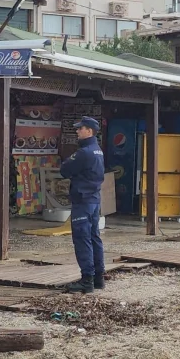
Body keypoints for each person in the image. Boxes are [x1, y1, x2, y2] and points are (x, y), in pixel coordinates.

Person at [60, 117, 106, 294]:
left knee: (82, 239)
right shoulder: (98, 151)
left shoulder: (84, 152)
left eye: (81, 128)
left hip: (82, 200)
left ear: (89, 131)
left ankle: (87, 279)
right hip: (94, 200)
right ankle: (99, 278)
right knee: (94, 238)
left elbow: (64, 170)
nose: (77, 131)